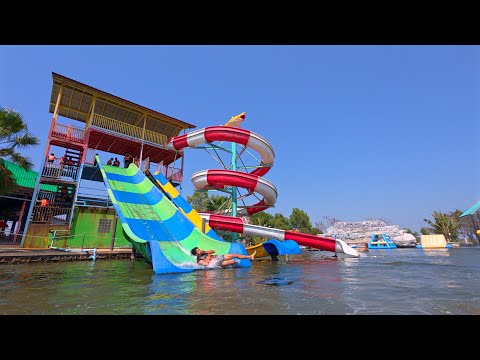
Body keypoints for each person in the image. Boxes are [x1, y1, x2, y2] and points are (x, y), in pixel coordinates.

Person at [190, 247, 255, 268]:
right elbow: (207, 264)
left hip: (218, 257)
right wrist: (209, 256)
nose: (200, 250)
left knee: (234, 255)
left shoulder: (203, 252)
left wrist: (206, 252)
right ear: (196, 254)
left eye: (199, 249)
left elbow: (213, 251)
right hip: (217, 263)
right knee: (233, 261)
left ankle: (250, 257)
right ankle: (232, 264)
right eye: (198, 250)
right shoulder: (199, 261)